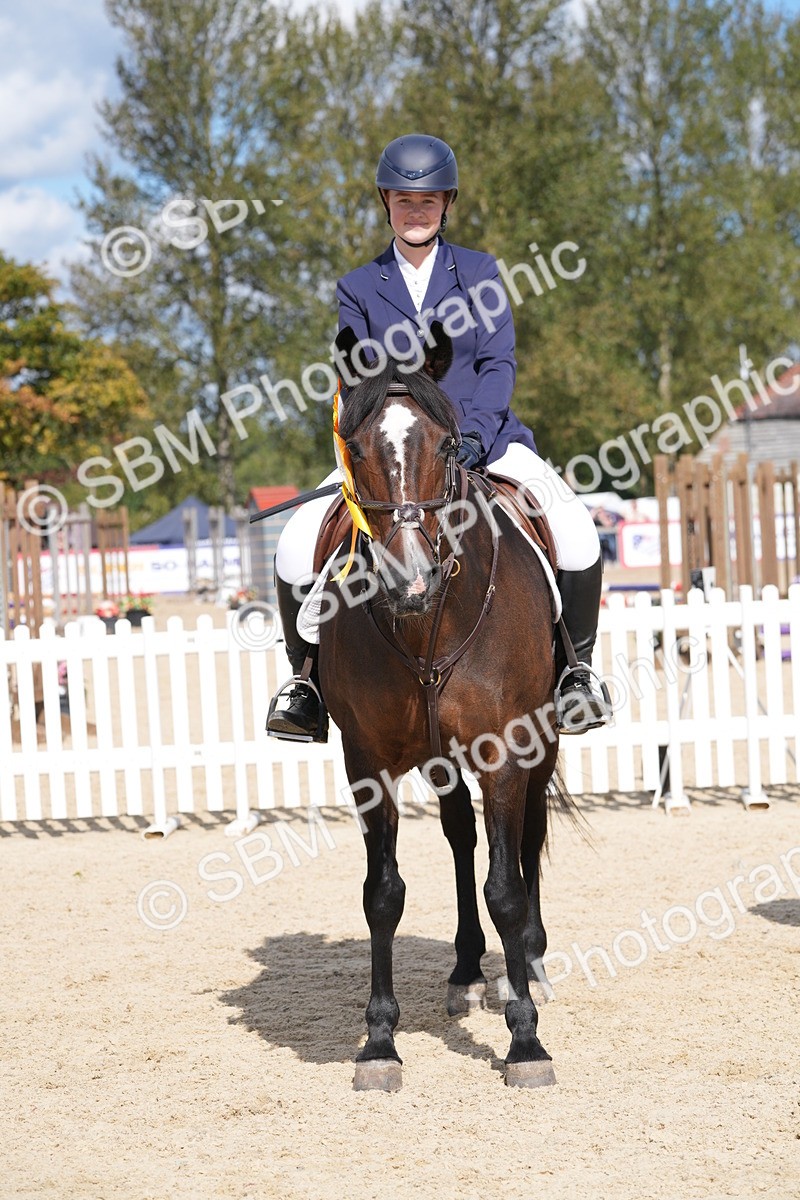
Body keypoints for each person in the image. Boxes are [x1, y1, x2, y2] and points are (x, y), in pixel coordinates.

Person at [267, 134, 611, 741]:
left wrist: (473, 436)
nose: (416, 211)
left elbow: (496, 365)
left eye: (427, 201)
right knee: (296, 544)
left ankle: (576, 675)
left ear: (446, 203)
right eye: (404, 200)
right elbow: (358, 376)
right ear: (386, 204)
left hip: (489, 440)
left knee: (578, 532)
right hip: (394, 452)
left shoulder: (480, 271)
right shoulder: (358, 286)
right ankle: (307, 685)